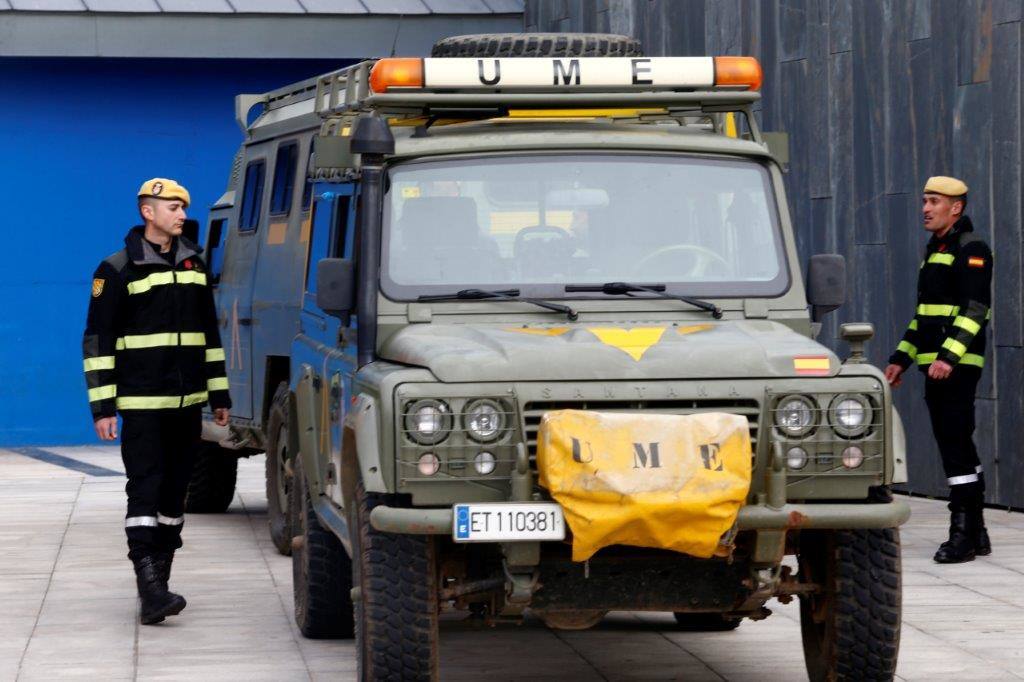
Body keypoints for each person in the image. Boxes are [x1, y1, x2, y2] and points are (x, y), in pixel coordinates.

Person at [82, 178, 231, 623]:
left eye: (183, 207)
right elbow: (98, 341)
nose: (181, 214)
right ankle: (149, 586)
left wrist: (219, 393)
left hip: (188, 406)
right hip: (142, 405)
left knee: (174, 495)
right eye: (172, 207)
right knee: (145, 489)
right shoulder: (116, 269)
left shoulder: (194, 263)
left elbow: (210, 336)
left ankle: (160, 583)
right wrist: (104, 407)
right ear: (148, 212)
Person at [884, 176, 992, 564]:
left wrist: (948, 357)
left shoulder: (971, 248)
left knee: (954, 446)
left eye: (933, 201)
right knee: (959, 442)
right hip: (935, 366)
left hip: (956, 366)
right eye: (925, 201)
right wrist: (901, 358)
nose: (925, 208)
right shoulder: (936, 250)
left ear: (956, 207)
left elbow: (976, 309)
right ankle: (977, 531)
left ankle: (962, 533)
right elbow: (925, 317)